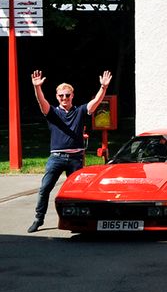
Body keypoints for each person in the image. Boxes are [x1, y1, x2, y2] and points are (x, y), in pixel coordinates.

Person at [28, 69, 112, 233]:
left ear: (72, 95)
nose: (64, 98)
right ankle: (39, 219)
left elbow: (95, 102)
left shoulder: (79, 111)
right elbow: (41, 102)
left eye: (67, 95)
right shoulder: (52, 112)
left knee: (79, 191)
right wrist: (37, 87)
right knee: (45, 188)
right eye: (61, 96)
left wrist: (103, 87)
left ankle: (79, 220)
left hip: (75, 158)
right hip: (56, 158)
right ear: (57, 97)